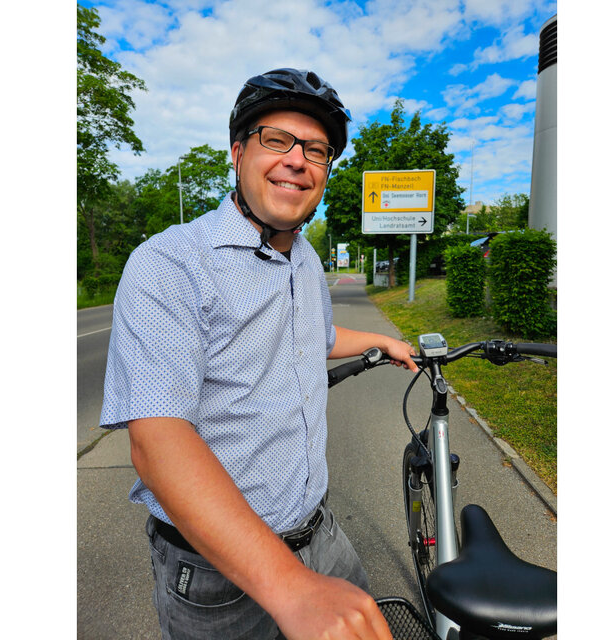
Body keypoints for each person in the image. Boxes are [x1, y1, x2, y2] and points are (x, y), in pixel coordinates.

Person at [99, 68, 418, 640]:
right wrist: (291, 588)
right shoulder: (170, 264)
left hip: (320, 535)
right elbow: (158, 442)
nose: (298, 159)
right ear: (237, 152)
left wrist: (380, 340)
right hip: (217, 575)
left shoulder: (305, 258)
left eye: (317, 150)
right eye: (277, 140)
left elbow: (315, 337)